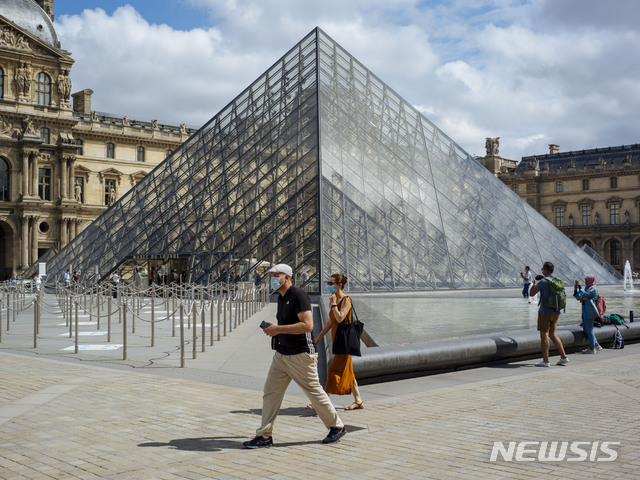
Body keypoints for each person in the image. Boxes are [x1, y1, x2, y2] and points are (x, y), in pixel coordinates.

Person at [243, 264, 346, 448]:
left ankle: (337, 426)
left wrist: (277, 329)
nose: (273, 278)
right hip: (282, 354)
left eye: (276, 275)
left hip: (301, 355)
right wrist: (274, 327)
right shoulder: (282, 298)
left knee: (314, 392)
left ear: (287, 277)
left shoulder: (298, 295)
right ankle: (265, 435)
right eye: (271, 275)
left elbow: (307, 325)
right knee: (270, 393)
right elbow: (289, 324)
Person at [312, 273, 364, 410]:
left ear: (339, 285)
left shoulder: (346, 300)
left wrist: (334, 304)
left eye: (331, 284)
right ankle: (358, 400)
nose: (328, 286)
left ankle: (321, 402)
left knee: (333, 371)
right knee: (349, 373)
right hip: (338, 341)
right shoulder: (333, 299)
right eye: (328, 283)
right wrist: (320, 336)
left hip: (345, 343)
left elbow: (340, 318)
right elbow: (331, 321)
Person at [529, 261, 569, 367]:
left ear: (546, 270)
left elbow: (531, 293)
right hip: (556, 311)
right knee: (552, 334)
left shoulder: (543, 281)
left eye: (543, 270)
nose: (542, 271)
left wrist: (535, 284)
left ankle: (546, 361)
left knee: (544, 336)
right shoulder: (558, 280)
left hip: (545, 312)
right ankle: (563, 357)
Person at [573, 275, 602, 354]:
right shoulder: (587, 288)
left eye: (586, 280)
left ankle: (592, 349)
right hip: (585, 311)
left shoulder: (593, 289)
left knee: (589, 330)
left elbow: (585, 294)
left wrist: (579, 286)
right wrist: (575, 289)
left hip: (590, 312)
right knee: (586, 329)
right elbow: (579, 297)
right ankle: (596, 345)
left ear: (590, 280)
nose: (585, 282)